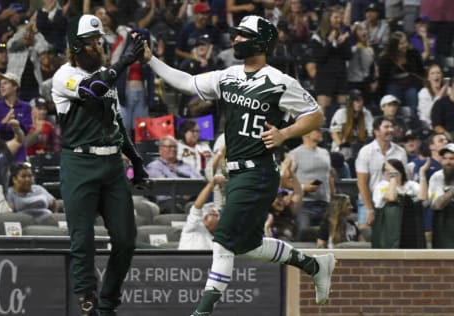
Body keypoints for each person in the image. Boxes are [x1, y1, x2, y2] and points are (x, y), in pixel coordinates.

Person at [141, 15, 335, 315]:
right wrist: (152, 59)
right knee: (249, 246)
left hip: (258, 171)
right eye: (236, 35)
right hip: (237, 173)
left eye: (243, 35)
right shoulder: (228, 75)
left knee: (222, 241)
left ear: (261, 42)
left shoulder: (280, 81)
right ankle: (314, 264)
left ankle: (202, 311)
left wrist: (284, 133)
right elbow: (187, 82)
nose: (235, 40)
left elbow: (316, 115)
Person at [51, 14, 149, 316]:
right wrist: (125, 63)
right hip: (79, 162)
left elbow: (118, 122)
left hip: (111, 164)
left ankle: (108, 301)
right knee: (83, 239)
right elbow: (91, 89)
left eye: (99, 41)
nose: (98, 46)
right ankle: (87, 299)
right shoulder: (64, 75)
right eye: (92, 42)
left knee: (126, 238)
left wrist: (136, 162)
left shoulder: (107, 75)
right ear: (77, 46)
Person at [355, 116, 408, 230]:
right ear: (376, 131)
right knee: (365, 231)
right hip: (369, 200)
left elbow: (403, 178)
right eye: (386, 127)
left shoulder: (401, 152)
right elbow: (362, 183)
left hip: (392, 200)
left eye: (391, 127)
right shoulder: (365, 152)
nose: (390, 129)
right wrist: (369, 209)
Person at [287, 127, 333, 241]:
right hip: (304, 204)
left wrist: (333, 197)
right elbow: (284, 180)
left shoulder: (325, 153)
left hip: (325, 203)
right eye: (317, 130)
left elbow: (329, 177)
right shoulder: (295, 154)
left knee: (328, 237)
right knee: (303, 234)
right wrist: (303, 187)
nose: (321, 132)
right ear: (306, 133)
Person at [371, 158, 429, 248]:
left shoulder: (411, 185)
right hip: (390, 231)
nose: (388, 173)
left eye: (391, 170)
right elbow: (391, 197)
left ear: (400, 171)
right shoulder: (382, 185)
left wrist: (422, 174)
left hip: (410, 229)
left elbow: (423, 197)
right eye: (385, 170)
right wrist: (393, 177)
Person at [146, 135, 204, 213]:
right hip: (169, 201)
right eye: (169, 147)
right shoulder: (154, 167)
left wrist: (189, 193)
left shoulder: (187, 166)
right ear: (160, 149)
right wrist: (184, 192)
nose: (173, 149)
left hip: (191, 200)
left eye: (175, 147)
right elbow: (165, 186)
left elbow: (201, 182)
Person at [0, 72, 32, 162]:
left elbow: (26, 130)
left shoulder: (26, 107)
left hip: (19, 152)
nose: (1, 87)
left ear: (15, 87)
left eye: (5, 83)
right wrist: (5, 120)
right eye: (0, 84)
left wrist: (17, 125)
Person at [178, 174, 225, 250]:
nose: (212, 211)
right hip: (185, 261)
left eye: (216, 215)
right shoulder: (194, 226)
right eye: (209, 213)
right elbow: (197, 206)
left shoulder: (220, 241)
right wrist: (212, 183)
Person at [329, 89, 373, 165]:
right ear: (350, 102)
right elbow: (334, 133)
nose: (359, 103)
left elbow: (371, 133)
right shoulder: (341, 113)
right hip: (343, 147)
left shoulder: (367, 114)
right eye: (356, 101)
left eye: (360, 100)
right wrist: (341, 145)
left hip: (360, 147)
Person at [429, 143, 454, 248]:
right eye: (444, 158)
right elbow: (437, 205)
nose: (447, 162)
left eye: (452, 158)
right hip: (443, 224)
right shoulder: (437, 177)